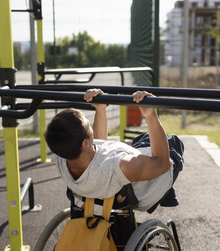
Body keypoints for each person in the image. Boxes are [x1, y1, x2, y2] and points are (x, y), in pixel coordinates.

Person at [45, 89, 184, 212]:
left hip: (103, 191)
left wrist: (100, 109)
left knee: (140, 141)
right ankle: (167, 192)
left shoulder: (62, 156)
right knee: (172, 141)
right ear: (85, 143)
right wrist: (150, 115)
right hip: (151, 181)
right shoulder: (122, 166)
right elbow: (162, 164)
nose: (90, 127)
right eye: (88, 126)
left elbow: (97, 151)